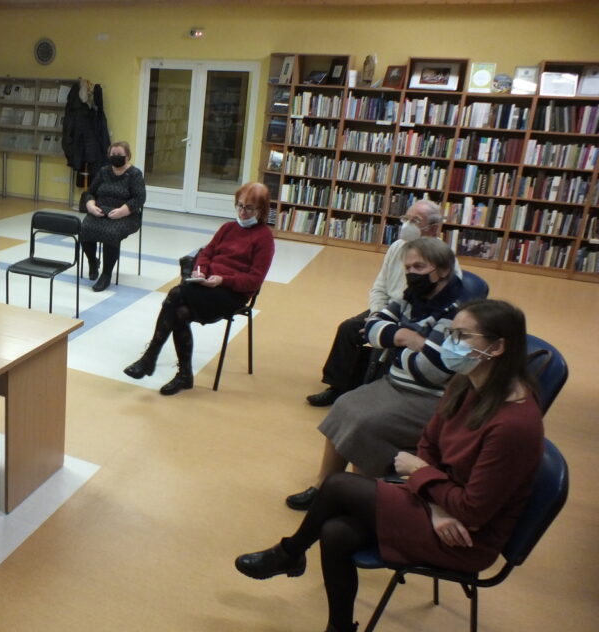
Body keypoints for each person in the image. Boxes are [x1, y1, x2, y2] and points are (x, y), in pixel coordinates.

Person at [234, 299, 543, 632]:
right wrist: (432, 498)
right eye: (450, 333)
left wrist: (420, 476)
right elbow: (429, 442)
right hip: (441, 506)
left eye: (462, 336)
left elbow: (473, 509)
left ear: (497, 347)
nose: (449, 343)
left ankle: (290, 553)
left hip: (466, 537)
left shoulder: (514, 426)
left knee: (339, 486)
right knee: (336, 532)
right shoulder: (467, 382)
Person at [286, 237, 463, 510]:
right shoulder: (410, 299)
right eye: (408, 268)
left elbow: (432, 371)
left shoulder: (456, 313)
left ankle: (358, 498)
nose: (412, 274)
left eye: (419, 267)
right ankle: (324, 485)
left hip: (430, 398)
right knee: (344, 405)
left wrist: (394, 344)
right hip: (396, 383)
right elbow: (371, 328)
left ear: (443, 270)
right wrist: (405, 338)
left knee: (366, 424)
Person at [123, 182, 274, 396]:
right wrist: (200, 271)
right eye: (240, 205)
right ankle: (183, 375)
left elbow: (254, 280)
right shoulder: (228, 228)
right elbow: (206, 253)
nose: (242, 211)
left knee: (176, 294)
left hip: (232, 294)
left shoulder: (264, 238)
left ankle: (151, 358)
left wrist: (222, 280)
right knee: (179, 313)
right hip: (207, 286)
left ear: (261, 210)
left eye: (249, 208)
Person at [306, 200, 445, 407]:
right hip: (387, 310)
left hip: (414, 320)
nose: (407, 225)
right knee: (348, 329)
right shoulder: (397, 247)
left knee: (385, 344)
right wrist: (376, 316)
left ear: (433, 228)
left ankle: (373, 390)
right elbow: (380, 286)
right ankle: (337, 387)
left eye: (415, 221)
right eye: (406, 219)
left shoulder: (441, 258)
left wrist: (386, 325)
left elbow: (432, 305)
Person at [80, 141, 146, 291]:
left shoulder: (135, 174)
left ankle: (106, 274)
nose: (116, 157)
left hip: (127, 214)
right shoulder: (104, 171)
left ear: (128, 156)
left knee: (111, 233)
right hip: (101, 210)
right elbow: (90, 192)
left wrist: (123, 211)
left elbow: (139, 198)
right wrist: (91, 206)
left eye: (119, 154)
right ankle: (93, 262)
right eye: (113, 154)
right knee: (85, 228)